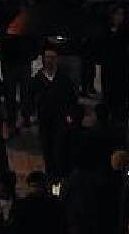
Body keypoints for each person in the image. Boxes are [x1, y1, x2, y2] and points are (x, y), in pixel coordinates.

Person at [31, 46, 79, 182]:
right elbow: (30, 97)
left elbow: (71, 99)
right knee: (47, 149)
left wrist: (70, 115)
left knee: (59, 148)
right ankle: (50, 175)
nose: (50, 60)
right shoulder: (38, 79)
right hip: (44, 119)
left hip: (60, 119)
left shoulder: (64, 79)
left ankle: (60, 175)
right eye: (47, 57)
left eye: (52, 57)